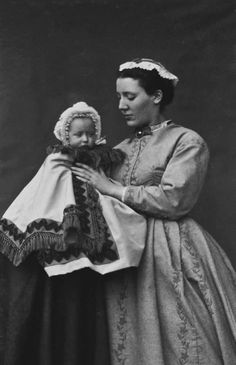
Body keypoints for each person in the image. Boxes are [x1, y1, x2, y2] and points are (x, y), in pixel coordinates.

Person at [72, 58, 236, 365]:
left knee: (186, 335)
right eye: (119, 96)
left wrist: (115, 189)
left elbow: (175, 200)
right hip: (126, 253)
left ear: (156, 97)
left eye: (130, 97)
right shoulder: (116, 150)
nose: (121, 105)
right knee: (133, 335)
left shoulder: (186, 141)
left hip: (172, 250)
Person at [0, 101, 146, 276]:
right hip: (64, 210)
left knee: (127, 223)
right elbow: (48, 189)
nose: (86, 139)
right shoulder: (57, 159)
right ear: (66, 137)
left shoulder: (100, 159)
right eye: (79, 134)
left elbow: (105, 182)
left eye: (91, 134)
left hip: (98, 205)